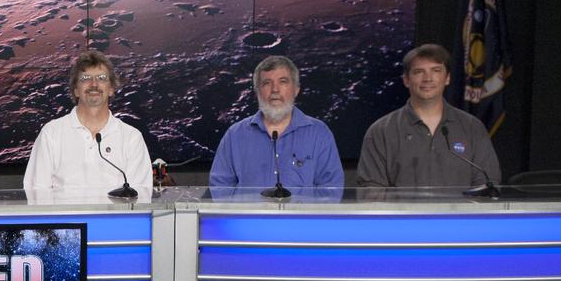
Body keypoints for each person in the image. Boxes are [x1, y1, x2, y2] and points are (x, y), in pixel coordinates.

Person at [357, 43, 501, 188]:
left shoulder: (472, 127)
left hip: (460, 211)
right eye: (419, 72)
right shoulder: (381, 131)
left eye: (436, 70)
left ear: (447, 78)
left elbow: (487, 185)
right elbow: (371, 191)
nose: (428, 79)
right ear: (406, 80)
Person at [209, 55, 343, 196]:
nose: (275, 90)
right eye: (267, 83)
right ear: (257, 91)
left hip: (301, 218)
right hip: (249, 218)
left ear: (296, 89)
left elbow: (331, 190)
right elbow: (220, 187)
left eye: (283, 81)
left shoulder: (319, 133)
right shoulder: (235, 135)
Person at [23, 51, 154, 192]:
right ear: (76, 90)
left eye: (102, 78)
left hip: (115, 215)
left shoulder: (131, 138)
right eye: (85, 78)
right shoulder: (51, 133)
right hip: (65, 215)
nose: (94, 84)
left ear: (111, 89)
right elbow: (36, 193)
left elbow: (141, 196)